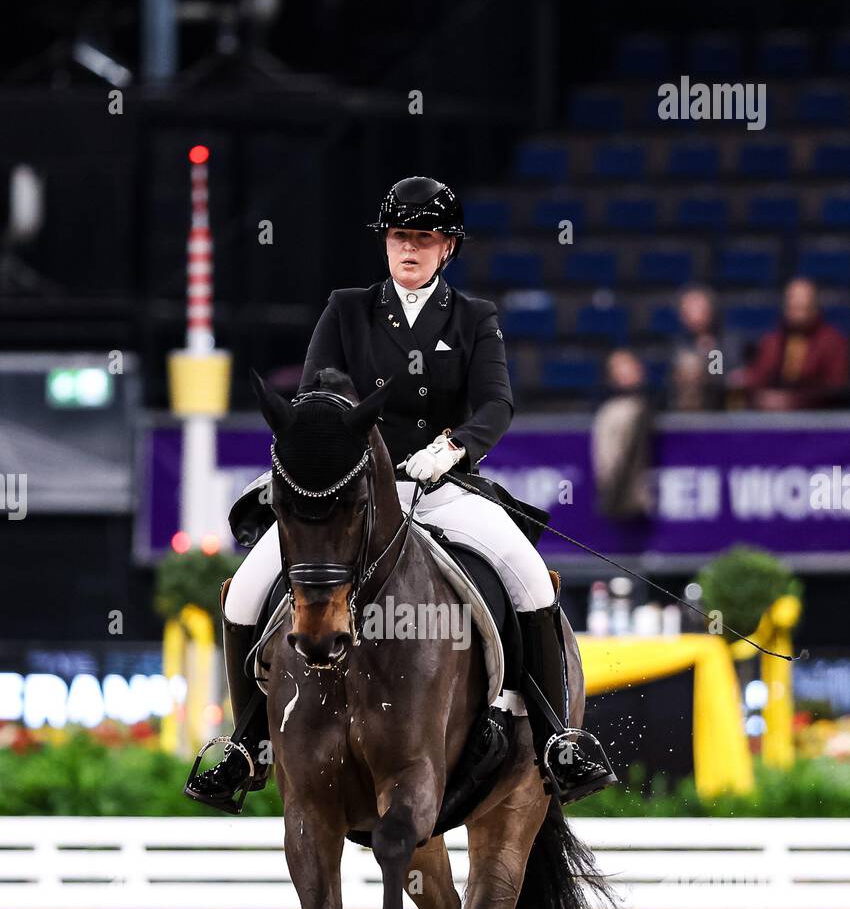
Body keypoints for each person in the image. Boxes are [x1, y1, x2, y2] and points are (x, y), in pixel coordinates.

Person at [190, 176, 615, 812]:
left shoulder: (475, 319)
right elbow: (314, 398)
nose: (409, 250)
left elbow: (497, 402)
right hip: (350, 491)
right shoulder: (347, 309)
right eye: (398, 237)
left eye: (423, 238)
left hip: (441, 485)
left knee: (528, 577)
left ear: (447, 248)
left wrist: (455, 447)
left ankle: (560, 739)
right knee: (247, 589)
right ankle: (247, 743)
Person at [733, 277, 849, 410]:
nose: (796, 309)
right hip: (771, 419)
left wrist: (793, 401)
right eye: (792, 304)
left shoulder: (833, 341)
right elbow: (759, 376)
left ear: (815, 307)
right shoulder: (772, 341)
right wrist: (748, 382)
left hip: (819, 420)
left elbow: (835, 388)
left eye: (802, 306)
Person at [591, 349, 653, 520]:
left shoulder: (654, 403)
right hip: (622, 496)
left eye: (629, 364)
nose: (627, 371)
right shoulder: (611, 413)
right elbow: (606, 461)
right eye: (618, 367)